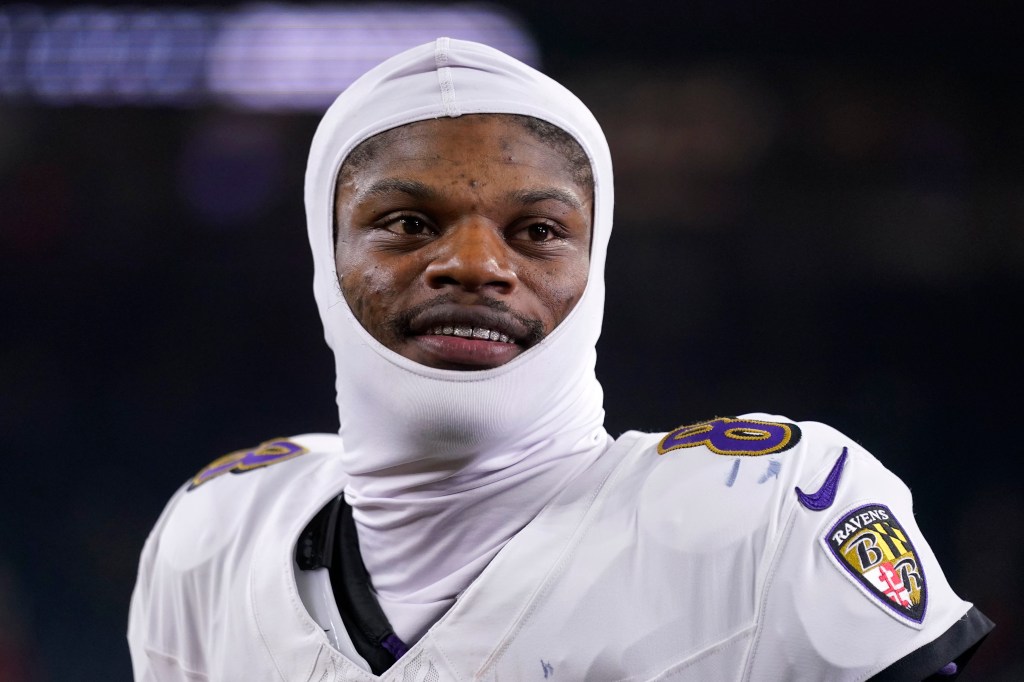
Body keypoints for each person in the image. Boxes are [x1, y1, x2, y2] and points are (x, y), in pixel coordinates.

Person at [127, 38, 992, 681]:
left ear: (596, 259)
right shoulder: (217, 537)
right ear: (325, 253)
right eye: (407, 223)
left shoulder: (767, 519)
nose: (474, 264)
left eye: (537, 230)